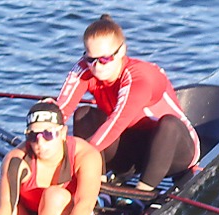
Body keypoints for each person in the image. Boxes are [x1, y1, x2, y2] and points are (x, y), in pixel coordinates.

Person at [55, 14, 199, 192]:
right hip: (132, 152)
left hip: (173, 152)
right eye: (91, 59)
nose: (97, 66)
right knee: (84, 114)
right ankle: (97, 186)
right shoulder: (84, 69)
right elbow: (60, 111)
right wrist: (38, 143)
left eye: (105, 59)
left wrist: (75, 157)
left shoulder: (140, 78)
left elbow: (116, 123)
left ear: (122, 51)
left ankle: (143, 193)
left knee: (168, 125)